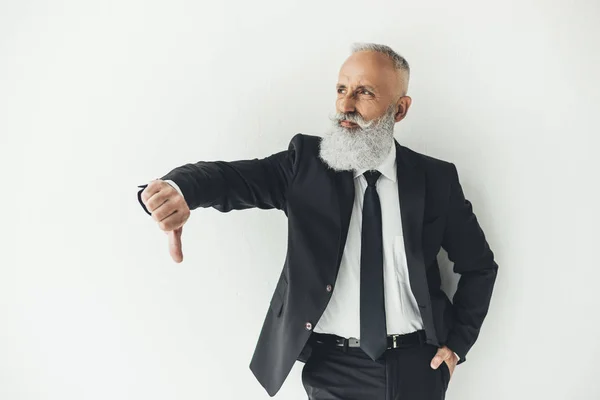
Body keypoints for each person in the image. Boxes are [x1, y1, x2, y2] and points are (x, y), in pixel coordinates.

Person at [136, 42, 499, 399]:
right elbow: (231, 179)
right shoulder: (305, 165)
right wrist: (177, 188)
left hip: (417, 367)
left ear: (399, 109)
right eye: (341, 89)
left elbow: (479, 266)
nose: (345, 105)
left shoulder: (434, 179)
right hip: (332, 368)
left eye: (364, 93)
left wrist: (456, 346)